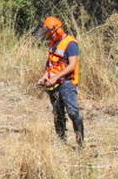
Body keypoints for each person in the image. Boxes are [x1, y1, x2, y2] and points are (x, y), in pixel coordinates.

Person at [35, 16, 84, 147]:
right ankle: (61, 141)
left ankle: (80, 142)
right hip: (53, 84)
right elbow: (51, 64)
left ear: (55, 30)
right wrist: (45, 76)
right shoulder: (52, 44)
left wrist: (56, 77)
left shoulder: (71, 44)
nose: (46, 35)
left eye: (47, 32)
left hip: (67, 83)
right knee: (57, 113)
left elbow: (72, 65)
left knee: (73, 112)